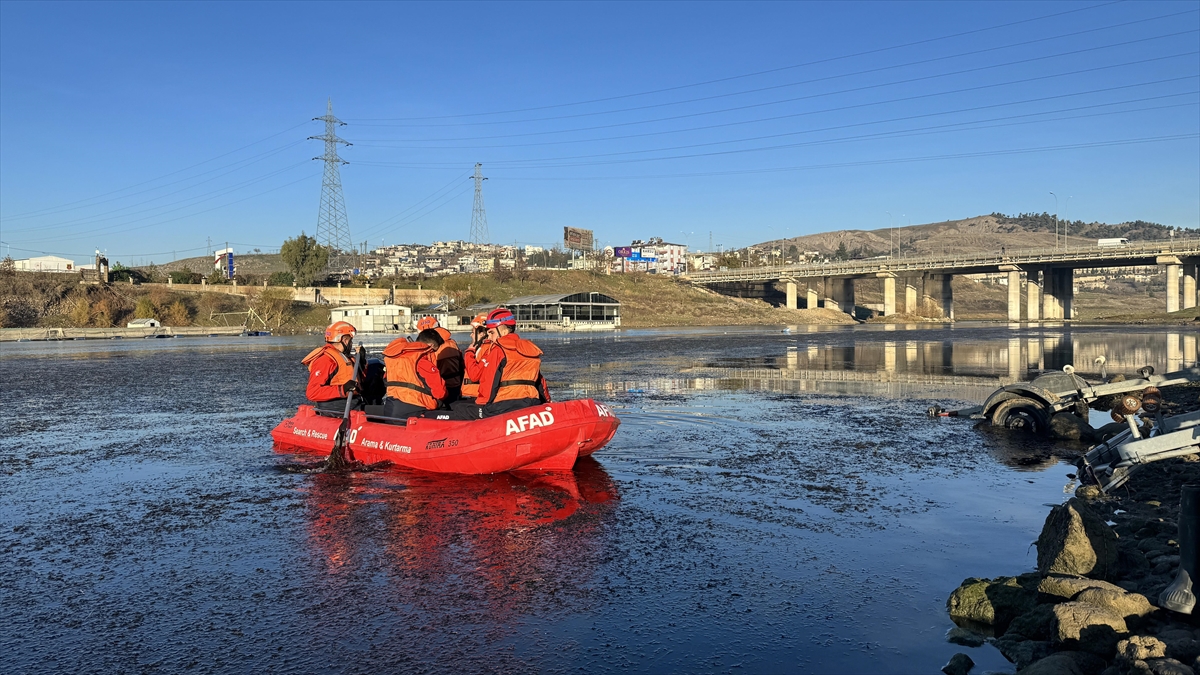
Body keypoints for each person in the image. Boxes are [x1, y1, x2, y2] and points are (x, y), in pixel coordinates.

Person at [448, 307, 550, 420]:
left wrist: (482, 405)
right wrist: (547, 403)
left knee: (458, 408)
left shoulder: (498, 350)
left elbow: (489, 381)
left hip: (504, 404)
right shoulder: (530, 349)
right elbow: (540, 382)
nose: (489, 337)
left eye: (491, 332)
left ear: (504, 332)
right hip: (531, 401)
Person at [380, 328, 447, 420]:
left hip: (391, 408)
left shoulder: (394, 358)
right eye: (434, 351)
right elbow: (440, 393)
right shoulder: (422, 360)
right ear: (431, 346)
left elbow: (385, 379)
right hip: (415, 410)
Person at [303, 321, 363, 413]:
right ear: (345, 340)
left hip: (352, 402)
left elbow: (359, 380)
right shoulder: (325, 360)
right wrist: (343, 388)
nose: (351, 344)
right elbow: (312, 392)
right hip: (335, 407)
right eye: (350, 341)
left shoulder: (345, 357)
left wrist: (362, 360)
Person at [418, 316, 464, 403]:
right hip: (455, 386)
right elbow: (461, 365)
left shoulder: (431, 349)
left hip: (442, 390)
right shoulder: (451, 343)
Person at [458, 312, 490, 401]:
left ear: (482, 334)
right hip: (471, 394)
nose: (471, 335)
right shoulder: (482, 348)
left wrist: (469, 352)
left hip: (474, 395)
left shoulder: (486, 349)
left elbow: (474, 375)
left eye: (473, 332)